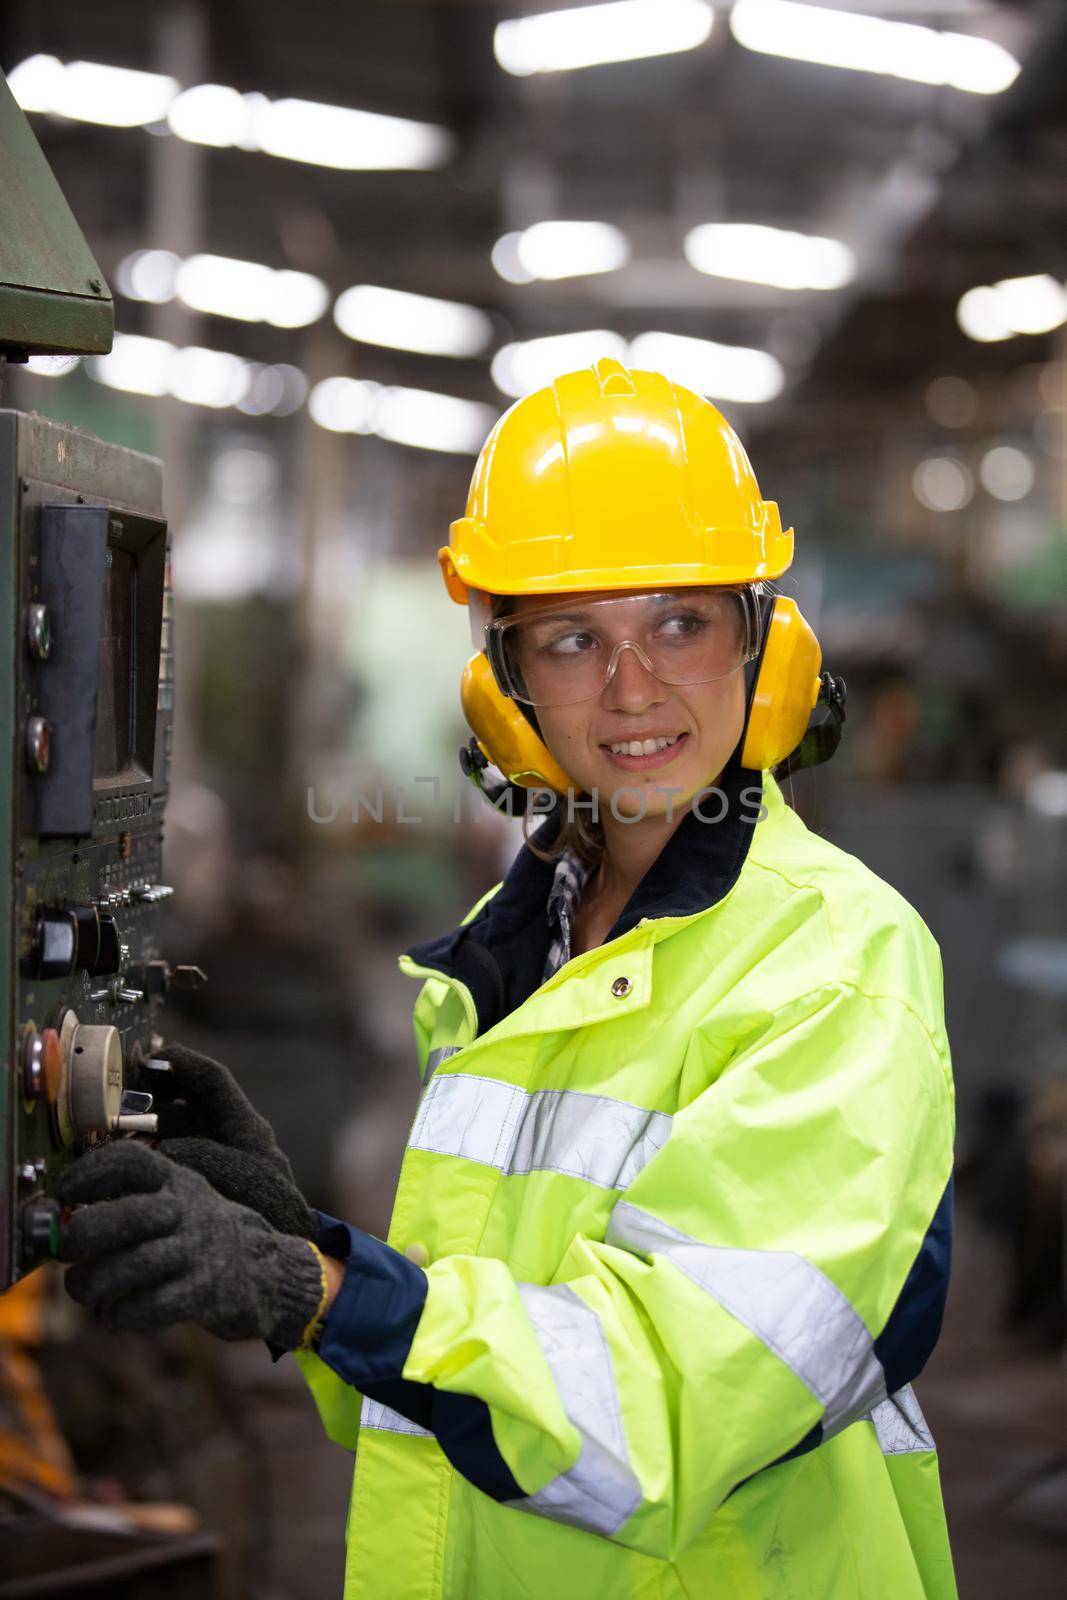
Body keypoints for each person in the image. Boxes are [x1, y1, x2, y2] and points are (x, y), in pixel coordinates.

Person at [57, 359, 957, 1599]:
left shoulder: (838, 964)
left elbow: (657, 1414)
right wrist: (296, 1243)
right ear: (507, 689)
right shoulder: (522, 937)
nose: (633, 688)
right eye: (575, 637)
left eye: (679, 623)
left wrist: (317, 1287)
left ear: (765, 646)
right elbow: (485, 1374)